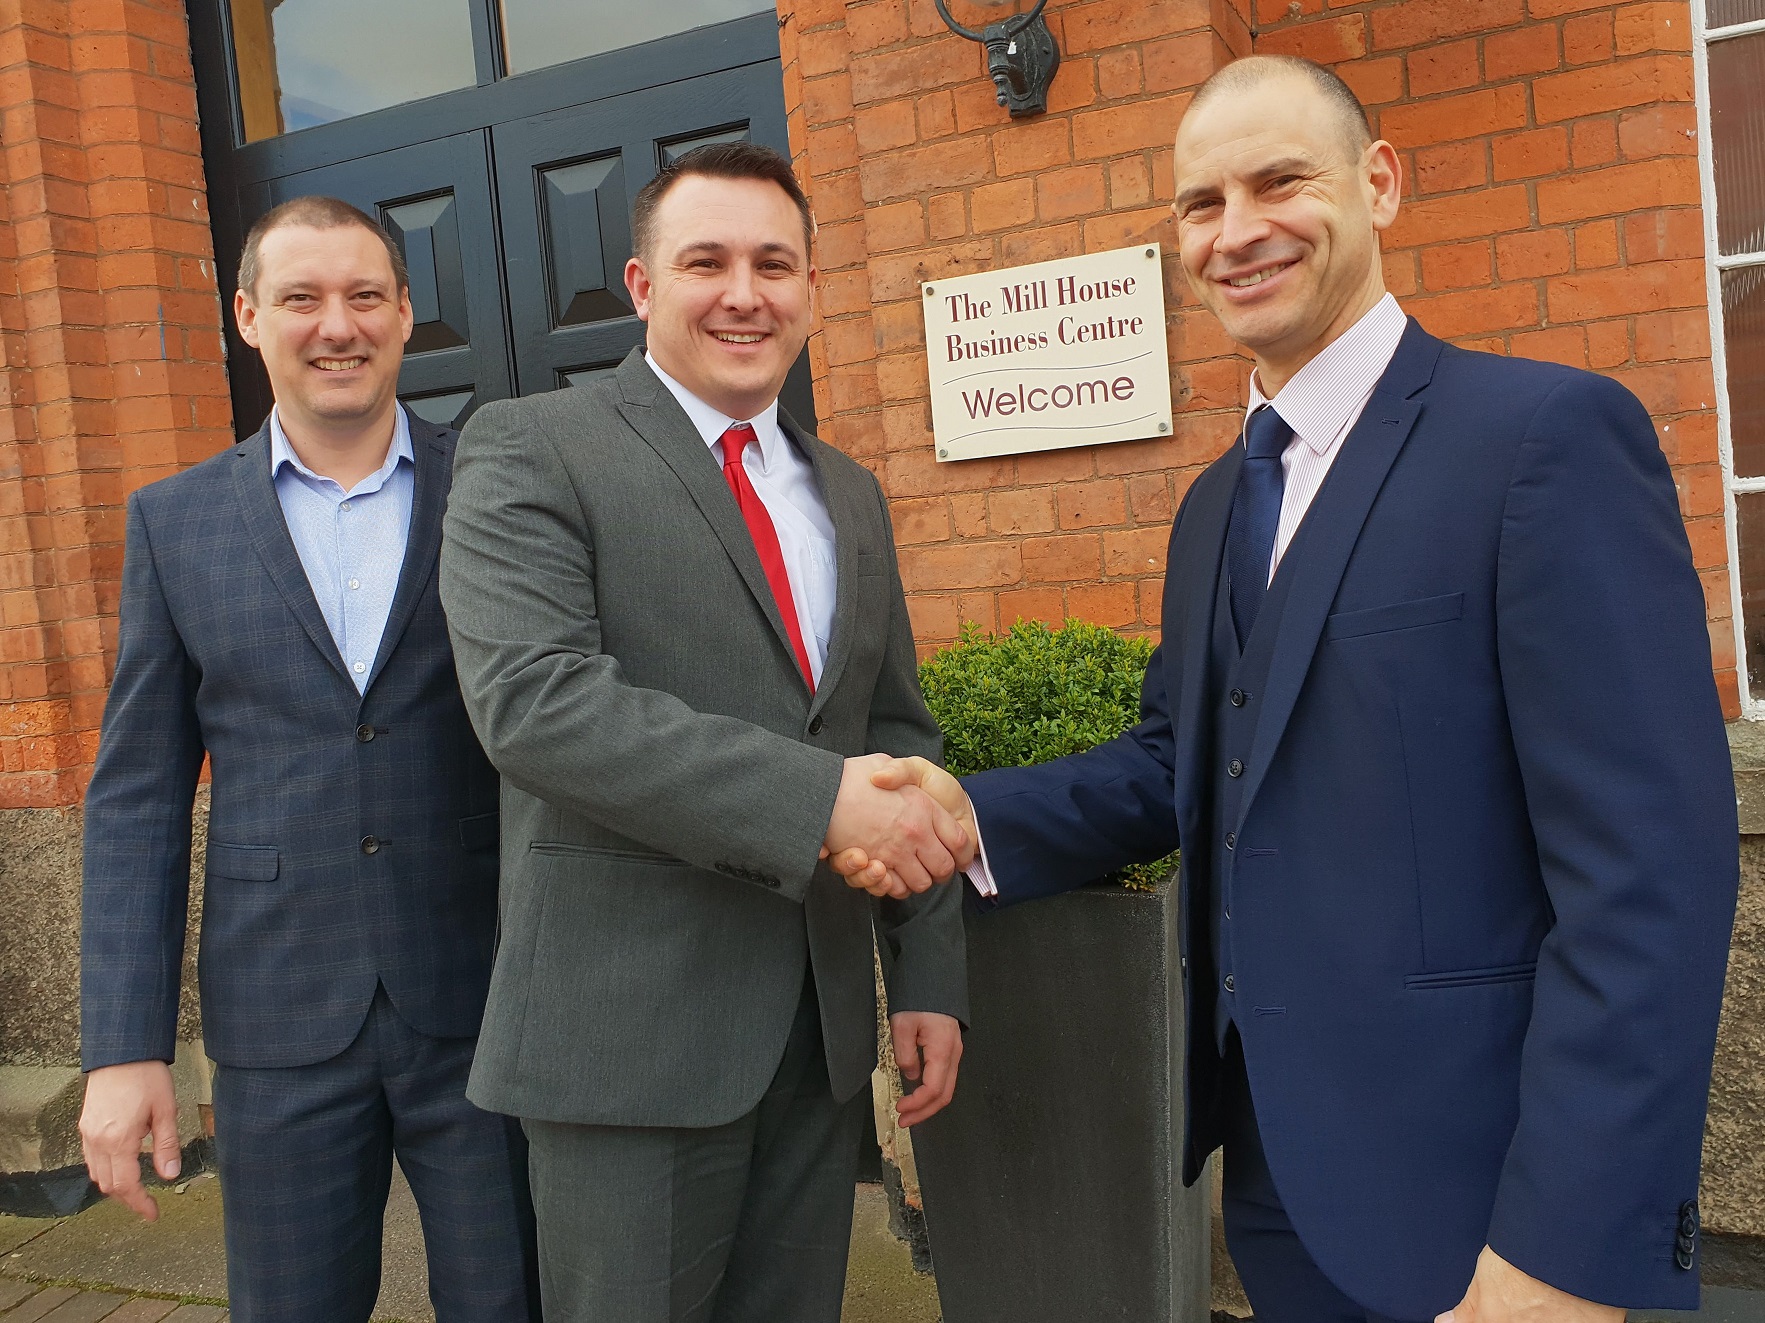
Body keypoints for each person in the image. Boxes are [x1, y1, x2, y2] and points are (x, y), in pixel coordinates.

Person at [834, 55, 1738, 1323]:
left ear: (1378, 184)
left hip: (1490, 1213)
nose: (1236, 231)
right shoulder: (1215, 505)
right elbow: (1177, 761)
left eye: (1279, 182)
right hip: (1275, 1186)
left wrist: (1569, 1252)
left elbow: (1653, 878)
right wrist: (966, 817)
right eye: (1200, 204)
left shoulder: (1542, 441)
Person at [437, 141, 971, 1323]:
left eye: (775, 263)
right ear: (640, 288)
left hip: (817, 1041)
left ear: (813, 290)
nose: (745, 293)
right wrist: (819, 804)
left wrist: (927, 973)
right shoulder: (532, 447)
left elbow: (895, 732)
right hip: (629, 1046)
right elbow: (536, 704)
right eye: (707, 261)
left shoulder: (849, 491)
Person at [78, 197, 539, 1322]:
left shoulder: (496, 483)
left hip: (485, 996)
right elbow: (136, 797)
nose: (337, 325)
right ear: (247, 317)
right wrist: (123, 1049)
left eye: (365, 295)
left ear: (405, 312)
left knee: (519, 1303)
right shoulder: (174, 525)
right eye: (301, 298)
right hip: (281, 1015)